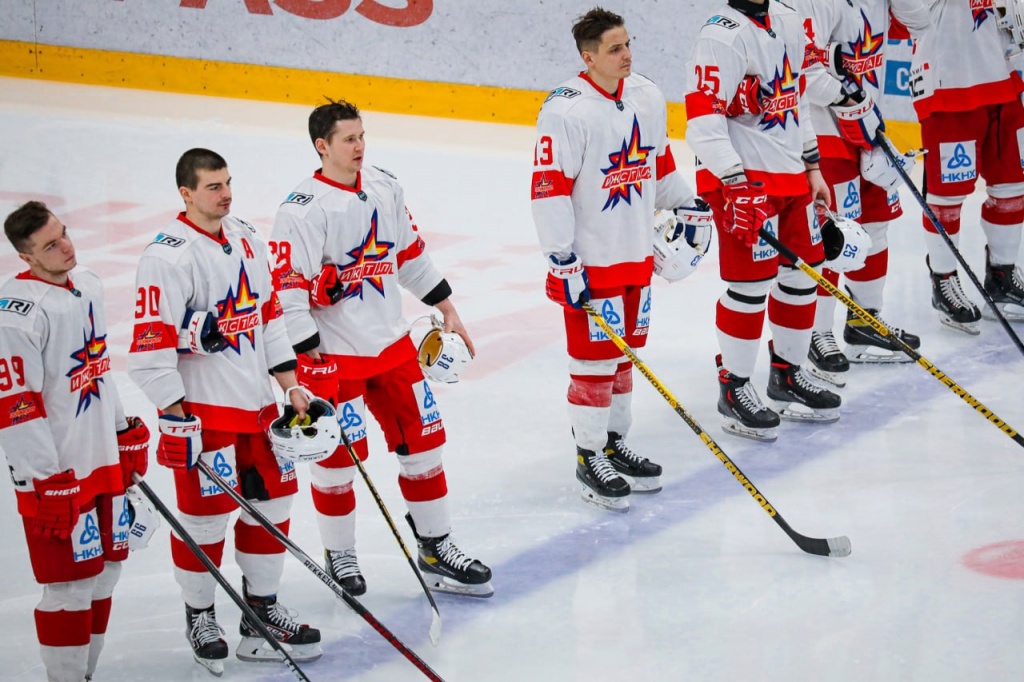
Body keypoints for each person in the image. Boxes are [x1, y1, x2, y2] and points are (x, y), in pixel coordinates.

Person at [270, 100, 493, 598]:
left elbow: (409, 253)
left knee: (425, 448)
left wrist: (447, 305)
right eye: (349, 139)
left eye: (363, 136)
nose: (359, 147)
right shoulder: (301, 211)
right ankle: (341, 557)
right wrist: (309, 363)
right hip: (335, 359)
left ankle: (436, 548)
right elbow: (287, 294)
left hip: (393, 347)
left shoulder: (385, 186)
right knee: (338, 463)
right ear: (321, 146)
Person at [127, 148, 321, 674]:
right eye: (213, 187)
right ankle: (201, 615)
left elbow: (270, 318)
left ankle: (260, 616)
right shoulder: (167, 256)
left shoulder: (246, 238)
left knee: (272, 511)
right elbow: (149, 348)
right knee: (204, 523)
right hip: (207, 416)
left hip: (259, 410)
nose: (226, 193)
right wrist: (173, 413)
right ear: (186, 194)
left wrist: (291, 387)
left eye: (228, 182)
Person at [531, 6, 708, 512]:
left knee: (624, 355)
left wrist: (687, 202)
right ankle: (589, 456)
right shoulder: (565, 111)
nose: (626, 55)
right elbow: (548, 189)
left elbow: (660, 166)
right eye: (614, 49)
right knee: (592, 362)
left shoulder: (647, 96)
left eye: (628, 44)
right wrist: (561, 259)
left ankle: (612, 441)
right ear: (588, 58)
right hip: (592, 263)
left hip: (636, 256)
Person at [0, 200, 150, 682]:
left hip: (100, 461)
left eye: (63, 233)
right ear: (26, 257)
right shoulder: (16, 316)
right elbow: (17, 408)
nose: (66, 246)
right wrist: (47, 479)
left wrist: (123, 431)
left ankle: (83, 674)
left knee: (105, 572)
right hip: (57, 475)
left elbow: (98, 371)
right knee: (67, 587)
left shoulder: (87, 285)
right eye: (50, 244)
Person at [684, 0, 842, 442]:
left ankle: (786, 375)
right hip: (746, 178)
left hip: (791, 174)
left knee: (802, 276)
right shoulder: (720, 35)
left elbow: (799, 100)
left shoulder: (789, 20)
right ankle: (733, 387)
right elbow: (702, 117)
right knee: (750, 286)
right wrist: (733, 180)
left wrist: (813, 168)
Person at [788, 0, 931, 383]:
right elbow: (802, 70)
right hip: (825, 133)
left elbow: (921, 21)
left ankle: (865, 320)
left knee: (877, 225)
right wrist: (850, 101)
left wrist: (864, 112)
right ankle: (817, 334)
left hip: (867, 129)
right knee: (834, 233)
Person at [910, 0, 1024, 334]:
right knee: (948, 196)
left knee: (1012, 187)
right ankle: (943, 281)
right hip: (950, 84)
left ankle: (1001, 275)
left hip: (1005, 79)